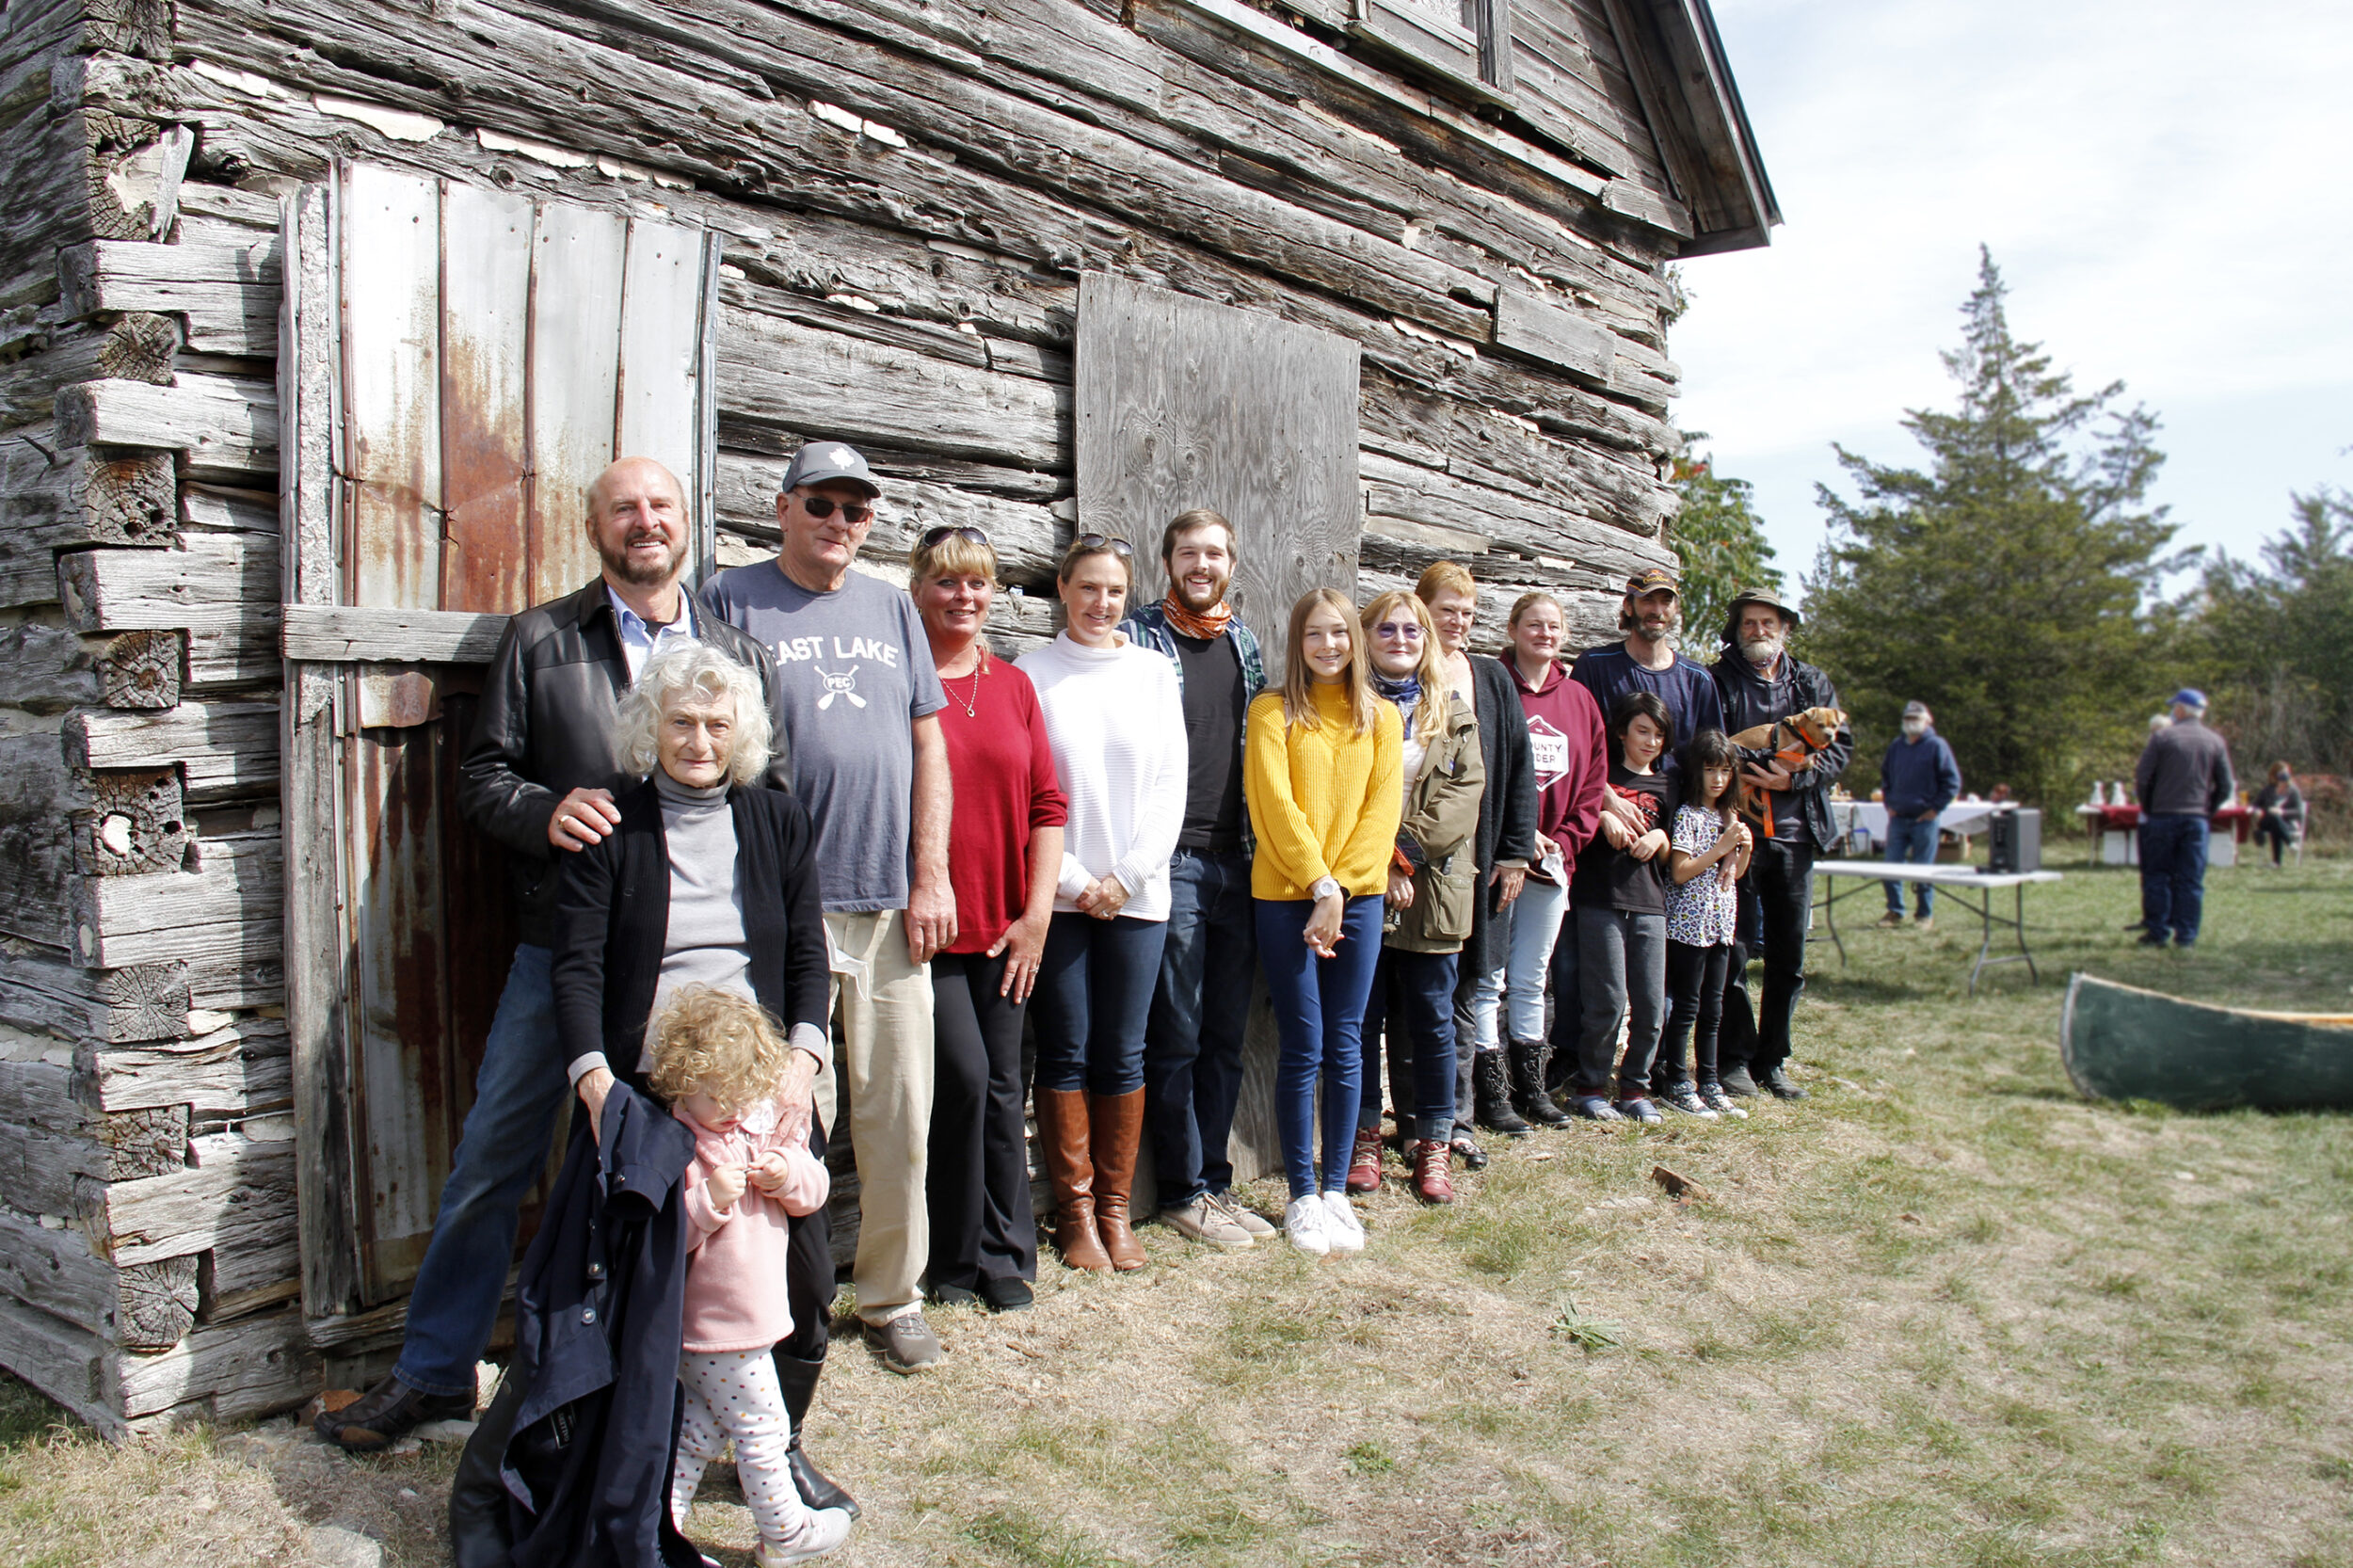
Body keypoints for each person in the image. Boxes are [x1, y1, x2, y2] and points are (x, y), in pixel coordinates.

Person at [317, 458, 809, 1460]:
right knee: (494, 1158)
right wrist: (548, 811)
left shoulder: (735, 652)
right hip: (569, 951)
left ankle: (732, 1403)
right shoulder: (543, 639)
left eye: (661, 506)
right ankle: (434, 1370)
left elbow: (773, 789)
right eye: (624, 508)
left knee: (721, 1176)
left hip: (707, 979)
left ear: (688, 524)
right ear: (594, 526)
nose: (645, 522)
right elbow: (481, 777)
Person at [544, 638, 854, 1517]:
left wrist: (802, 1060)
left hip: (764, 1084)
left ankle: (778, 1445)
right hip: (646, 1091)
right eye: (681, 721)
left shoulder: (776, 820)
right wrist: (597, 1084)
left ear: (741, 734)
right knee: (650, 1285)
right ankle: (642, 1460)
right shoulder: (613, 824)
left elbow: (804, 952)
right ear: (653, 726)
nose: (699, 740)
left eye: (718, 724)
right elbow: (576, 970)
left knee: (799, 1270)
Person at [699, 440, 954, 1375]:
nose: (838, 523)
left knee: (898, 1112)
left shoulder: (892, 607)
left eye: (855, 510)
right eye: (821, 505)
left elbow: (929, 747)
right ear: (783, 507)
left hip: (888, 906)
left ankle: (891, 1296)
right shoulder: (729, 597)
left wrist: (931, 872)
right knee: (780, 1116)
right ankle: (776, 1301)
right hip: (778, 907)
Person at [1018, 536, 1188, 1272]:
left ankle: (1117, 1211)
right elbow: (1027, 790)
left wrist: (1125, 877)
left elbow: (1170, 788)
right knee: (1065, 1051)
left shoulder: (1153, 673)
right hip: (1060, 897)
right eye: (1087, 588)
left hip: (1138, 897)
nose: (1100, 604)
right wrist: (1078, 881)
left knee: (1123, 1052)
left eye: (1114, 591)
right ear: (1063, 588)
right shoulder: (1032, 673)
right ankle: (1075, 1214)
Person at [910, 527, 1066, 1310]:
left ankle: (1007, 1257)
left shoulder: (1012, 686)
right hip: (931, 930)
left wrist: (1036, 916)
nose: (963, 597)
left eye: (977, 583)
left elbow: (1048, 804)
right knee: (964, 1083)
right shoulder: (904, 683)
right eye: (946, 582)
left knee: (1006, 1086)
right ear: (919, 589)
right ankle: (952, 1260)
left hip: (1007, 928)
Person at [653, 991, 854, 1566]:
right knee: (764, 1428)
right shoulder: (681, 1147)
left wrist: (786, 1172)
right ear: (680, 1085)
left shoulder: (759, 1126)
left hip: (755, 1317)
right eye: (712, 1097)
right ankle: (784, 1534)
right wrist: (706, 1204)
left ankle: (660, 1524)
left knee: (701, 1430)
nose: (729, 1109)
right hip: (714, 1326)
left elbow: (813, 1190)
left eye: (739, 1094)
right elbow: (665, 1240)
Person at [1121, 509, 1273, 1249]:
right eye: (1189, 552)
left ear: (1231, 563)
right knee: (1175, 1032)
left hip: (1237, 860)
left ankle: (1214, 1181)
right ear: (1169, 559)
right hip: (1172, 860)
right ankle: (1181, 1191)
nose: (1202, 564)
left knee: (1223, 1035)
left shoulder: (1243, 643)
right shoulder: (1138, 635)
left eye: (1214, 552)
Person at [1246, 588, 1403, 1255]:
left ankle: (1337, 1191)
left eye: (1340, 633)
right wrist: (1319, 885)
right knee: (1303, 1044)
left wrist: (1340, 891)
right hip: (1287, 897)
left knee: (1347, 1044)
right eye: (1316, 635)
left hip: (1359, 900)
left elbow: (1381, 811)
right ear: (1297, 643)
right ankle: (1302, 1195)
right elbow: (1273, 805)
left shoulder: (1382, 719)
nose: (1330, 645)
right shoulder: (1273, 712)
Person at [1547, 566, 1725, 1101]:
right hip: (1600, 841)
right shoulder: (1597, 666)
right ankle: (1577, 1068)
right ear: (1630, 606)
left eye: (1666, 603)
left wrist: (1679, 836)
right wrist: (1603, 801)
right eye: (1647, 602)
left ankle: (1659, 1076)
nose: (1657, 611)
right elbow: (1577, 739)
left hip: (1666, 848)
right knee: (1582, 968)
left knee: (1663, 980)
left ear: (1676, 611)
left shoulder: (1696, 680)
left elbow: (1706, 764)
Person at [1348, 591, 1483, 1205]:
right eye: (1387, 629)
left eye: (1412, 630)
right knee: (1361, 1019)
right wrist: (1379, 864)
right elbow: (1339, 794)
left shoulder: (1452, 713)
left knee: (1432, 1024)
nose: (1400, 639)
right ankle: (1363, 1140)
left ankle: (1433, 1143)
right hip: (1362, 884)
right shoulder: (1346, 706)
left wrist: (1401, 859)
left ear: (1426, 639)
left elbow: (1461, 798)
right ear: (1367, 636)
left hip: (1432, 890)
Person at [1710, 587, 1850, 1103]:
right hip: (1741, 837)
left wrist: (1792, 780)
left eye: (1768, 622)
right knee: (1734, 950)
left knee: (1788, 957)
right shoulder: (1719, 680)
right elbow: (1707, 747)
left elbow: (1841, 749)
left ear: (1785, 627)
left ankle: (1775, 1059)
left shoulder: (1812, 682)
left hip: (1798, 835)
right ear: (1737, 629)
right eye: (1749, 623)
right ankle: (1736, 1059)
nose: (1758, 631)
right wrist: (1745, 776)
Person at [1414, 563, 1536, 1152]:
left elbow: (1519, 770)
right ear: (1422, 609)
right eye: (1447, 610)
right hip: (1414, 859)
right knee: (1413, 991)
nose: (1458, 622)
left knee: (1467, 988)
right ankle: (1416, 1120)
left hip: (1482, 858)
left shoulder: (1492, 678)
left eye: (1467, 612)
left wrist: (1514, 853)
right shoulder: (1402, 673)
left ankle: (1455, 1122)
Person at [1499, 592, 1606, 1127]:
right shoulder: (1492, 686)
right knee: (1488, 977)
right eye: (1534, 625)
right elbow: (1481, 772)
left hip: (1553, 863)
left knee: (1531, 975)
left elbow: (1592, 785)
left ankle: (1532, 1087)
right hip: (1503, 858)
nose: (1545, 634)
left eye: (1554, 626)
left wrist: (1562, 841)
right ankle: (1491, 1091)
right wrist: (1519, 836)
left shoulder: (1581, 701)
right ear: (1514, 628)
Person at [1563, 691, 1676, 1122]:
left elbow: (1677, 850)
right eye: (1642, 731)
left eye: (1658, 734)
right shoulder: (1601, 777)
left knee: (1650, 1004)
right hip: (1600, 899)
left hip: (1650, 903)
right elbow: (1578, 814)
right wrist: (1603, 816)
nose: (1650, 742)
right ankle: (1590, 1086)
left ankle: (1634, 1089)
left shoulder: (1668, 785)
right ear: (1622, 732)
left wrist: (1660, 839)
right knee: (1606, 1000)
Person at [1657, 730, 1752, 1118]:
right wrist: (1722, 847)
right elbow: (1680, 872)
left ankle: (1709, 1080)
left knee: (1714, 1007)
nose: (1717, 779)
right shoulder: (1688, 816)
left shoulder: (1728, 818)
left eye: (1725, 771)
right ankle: (1677, 1080)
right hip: (1687, 927)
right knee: (1687, 1006)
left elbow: (1737, 874)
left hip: (1719, 924)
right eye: (1710, 770)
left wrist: (1743, 845)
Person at [2133, 688, 2237, 948]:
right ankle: (2187, 935)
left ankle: (2158, 931)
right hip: (2196, 819)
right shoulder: (2215, 741)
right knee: (2190, 879)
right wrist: (2207, 811)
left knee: (2158, 876)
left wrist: (2150, 807)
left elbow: (2142, 778)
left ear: (2179, 710)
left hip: (2163, 816)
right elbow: (2225, 785)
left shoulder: (2162, 738)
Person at [1876, 700, 1961, 931]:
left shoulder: (1936, 746)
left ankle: (1924, 914)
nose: (1911, 723)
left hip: (1925, 820)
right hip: (1898, 818)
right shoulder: (1896, 746)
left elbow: (1951, 782)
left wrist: (1934, 809)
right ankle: (1895, 911)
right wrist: (1889, 803)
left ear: (1927, 721)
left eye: (1916, 719)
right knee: (1890, 867)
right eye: (1908, 718)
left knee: (1923, 870)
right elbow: (1886, 777)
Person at [2253, 761, 2304, 868]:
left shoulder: (2293, 790)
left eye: (2286, 774)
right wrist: (2257, 810)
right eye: (2280, 774)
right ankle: (2290, 843)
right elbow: (2255, 804)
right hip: (2266, 820)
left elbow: (2299, 812)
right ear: (2274, 775)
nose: (2283, 777)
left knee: (2275, 820)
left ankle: (2276, 863)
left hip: (2286, 822)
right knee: (2273, 817)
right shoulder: (2268, 790)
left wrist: (2283, 812)